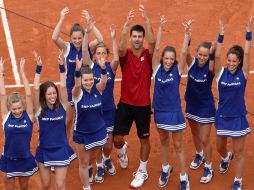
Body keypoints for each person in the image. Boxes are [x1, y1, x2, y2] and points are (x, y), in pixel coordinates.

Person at [113, 4, 155, 188]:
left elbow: (153, 43)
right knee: (116, 139)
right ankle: (123, 150)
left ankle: (143, 170)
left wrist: (146, 20)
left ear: (143, 38)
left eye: (140, 36)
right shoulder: (126, 54)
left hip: (143, 106)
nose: (137, 39)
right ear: (131, 38)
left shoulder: (148, 54)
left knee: (144, 139)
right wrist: (125, 25)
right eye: (134, 36)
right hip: (125, 104)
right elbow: (120, 47)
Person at [152, 16, 192, 189]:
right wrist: (160, 27)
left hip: (174, 112)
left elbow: (183, 53)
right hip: (159, 112)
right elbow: (156, 48)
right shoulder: (157, 68)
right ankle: (166, 168)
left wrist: (186, 34)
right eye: (166, 58)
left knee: (178, 146)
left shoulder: (177, 69)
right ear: (162, 59)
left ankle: (184, 178)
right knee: (163, 142)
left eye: (171, 59)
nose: (168, 61)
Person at [52, 8, 103, 138]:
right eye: (74, 38)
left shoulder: (88, 47)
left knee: (87, 119)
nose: (77, 41)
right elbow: (54, 38)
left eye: (80, 38)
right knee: (68, 121)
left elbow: (100, 40)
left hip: (86, 89)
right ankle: (66, 146)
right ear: (70, 38)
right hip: (71, 90)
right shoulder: (67, 47)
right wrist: (61, 18)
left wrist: (91, 25)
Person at [213, 18, 252, 190]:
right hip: (222, 116)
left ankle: (238, 180)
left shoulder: (243, 75)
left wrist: (248, 34)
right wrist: (221, 35)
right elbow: (217, 56)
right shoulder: (220, 73)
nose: (230, 63)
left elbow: (248, 53)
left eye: (234, 61)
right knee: (220, 146)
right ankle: (225, 158)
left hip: (237, 118)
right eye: (229, 60)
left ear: (239, 62)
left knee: (240, 152)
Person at [33, 51, 77, 190]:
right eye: (49, 93)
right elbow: (35, 89)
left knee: (59, 185)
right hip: (44, 150)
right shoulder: (39, 110)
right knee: (45, 185)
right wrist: (38, 68)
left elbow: (63, 86)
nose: (52, 96)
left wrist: (62, 66)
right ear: (44, 96)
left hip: (61, 150)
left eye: (54, 93)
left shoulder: (62, 106)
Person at [82, 23, 119, 183]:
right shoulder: (90, 67)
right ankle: (97, 166)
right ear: (94, 55)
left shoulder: (111, 67)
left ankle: (106, 158)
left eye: (104, 53)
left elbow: (117, 57)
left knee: (108, 143)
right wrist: (87, 31)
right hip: (94, 111)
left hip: (110, 110)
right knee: (97, 142)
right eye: (98, 53)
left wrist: (113, 38)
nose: (101, 55)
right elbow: (84, 50)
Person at [184, 21, 216, 183]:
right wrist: (188, 35)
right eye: (200, 54)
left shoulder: (210, 67)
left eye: (205, 55)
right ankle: (200, 154)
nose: (202, 57)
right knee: (195, 132)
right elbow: (185, 52)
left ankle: (209, 167)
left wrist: (214, 51)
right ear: (196, 53)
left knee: (205, 138)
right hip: (191, 104)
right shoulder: (191, 63)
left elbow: (213, 58)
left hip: (205, 107)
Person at [72, 47, 108, 190]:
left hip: (98, 131)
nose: (88, 82)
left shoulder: (97, 89)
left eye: (91, 79)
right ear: (81, 80)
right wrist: (77, 71)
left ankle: (92, 167)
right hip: (82, 133)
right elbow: (76, 84)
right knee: (83, 162)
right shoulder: (77, 94)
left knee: (92, 158)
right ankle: (86, 187)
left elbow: (104, 82)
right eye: (85, 80)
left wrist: (104, 68)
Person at [0, 57, 38, 190]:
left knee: (24, 186)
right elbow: (3, 94)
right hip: (8, 159)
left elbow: (28, 94)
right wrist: (1, 74)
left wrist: (22, 73)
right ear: (9, 108)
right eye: (14, 109)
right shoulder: (6, 116)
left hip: (24, 158)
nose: (17, 111)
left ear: (23, 106)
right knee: (9, 187)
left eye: (19, 108)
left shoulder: (29, 116)